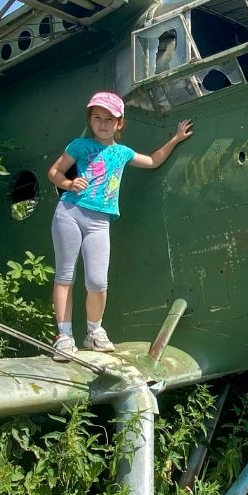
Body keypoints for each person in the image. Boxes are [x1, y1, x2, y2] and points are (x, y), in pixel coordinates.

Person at [47, 91, 192, 359]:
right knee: (65, 276)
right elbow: (54, 172)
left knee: (97, 281)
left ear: (120, 123)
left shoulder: (122, 153)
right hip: (69, 212)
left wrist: (175, 138)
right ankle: (64, 337)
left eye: (109, 119)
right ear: (90, 119)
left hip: (100, 221)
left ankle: (94, 332)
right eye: (97, 117)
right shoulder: (78, 145)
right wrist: (68, 183)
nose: (102, 123)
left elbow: (153, 161)